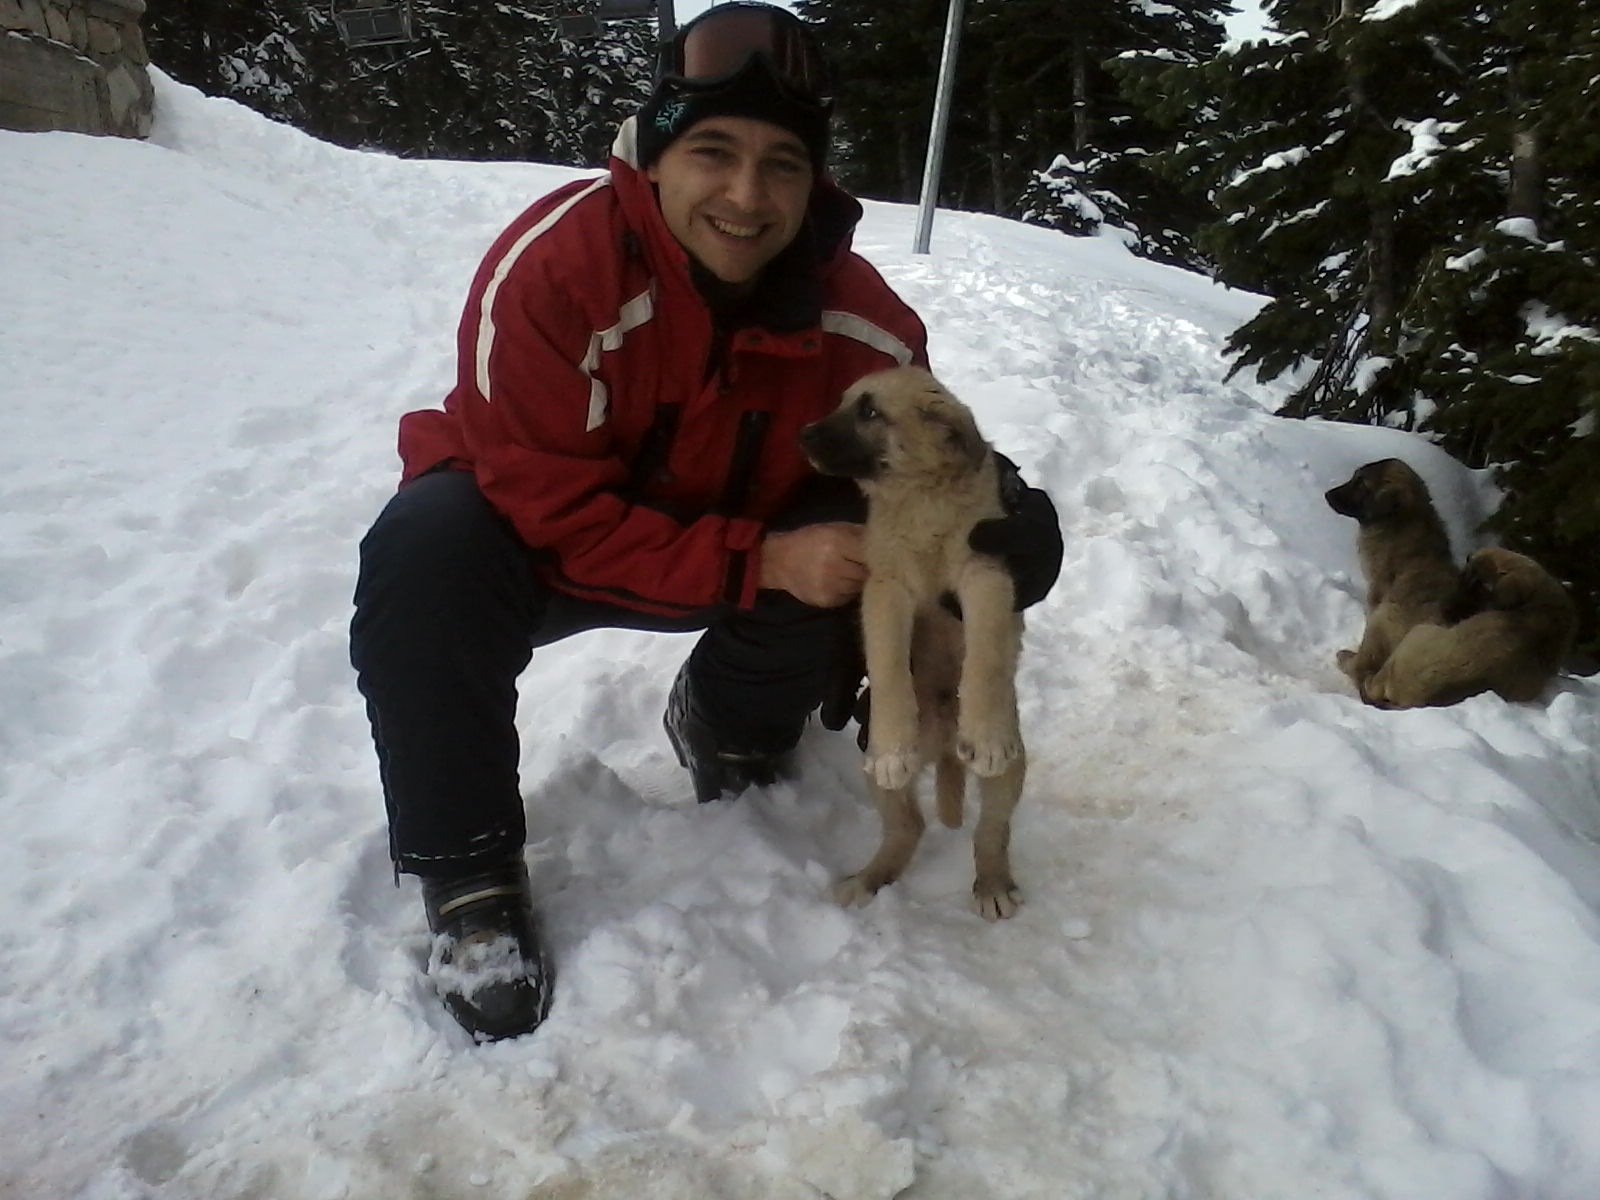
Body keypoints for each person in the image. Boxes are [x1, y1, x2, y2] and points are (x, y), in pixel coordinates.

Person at [349, 1, 1063, 1043]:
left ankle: (732, 723)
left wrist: (1012, 511)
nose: (746, 196)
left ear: (812, 183)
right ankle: (469, 876)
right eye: (713, 153)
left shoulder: (862, 321)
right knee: (425, 549)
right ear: (653, 156)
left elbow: (929, 459)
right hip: (531, 541)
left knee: (859, 543)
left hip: (734, 537)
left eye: (782, 165)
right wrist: (759, 559)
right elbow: (552, 509)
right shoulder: (556, 271)